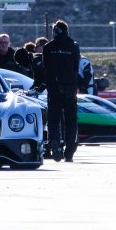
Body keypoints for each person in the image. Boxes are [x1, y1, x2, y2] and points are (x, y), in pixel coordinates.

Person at [41, 20, 82, 163]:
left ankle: (54, 141)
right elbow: (76, 67)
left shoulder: (48, 47)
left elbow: (45, 67)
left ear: (56, 31)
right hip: (70, 89)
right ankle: (69, 152)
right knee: (71, 121)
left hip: (54, 89)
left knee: (53, 120)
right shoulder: (74, 47)